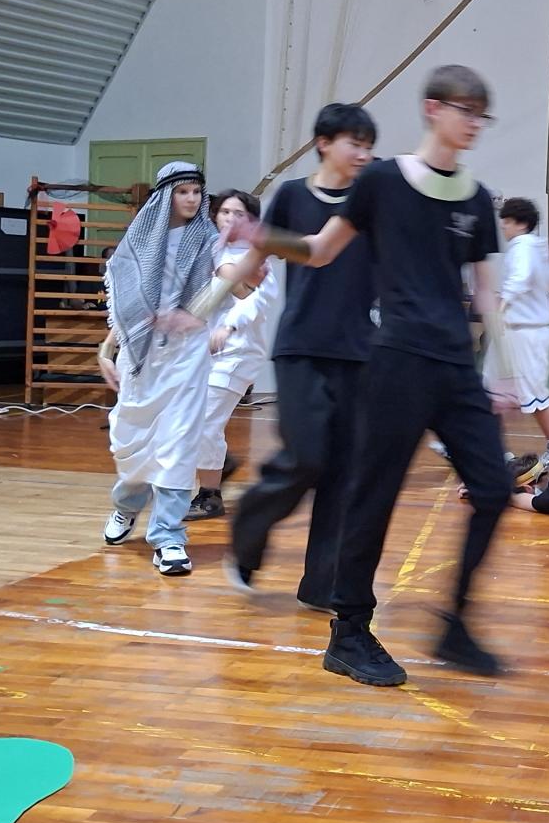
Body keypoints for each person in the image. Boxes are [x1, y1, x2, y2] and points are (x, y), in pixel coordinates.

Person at [235, 65, 517, 687]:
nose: (475, 124)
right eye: (466, 111)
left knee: (495, 488)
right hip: (397, 362)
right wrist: (264, 236)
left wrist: (507, 373)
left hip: (456, 367)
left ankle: (456, 624)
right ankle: (349, 633)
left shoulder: (475, 199)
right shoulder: (383, 182)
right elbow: (320, 250)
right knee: (373, 496)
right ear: (433, 108)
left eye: (482, 115)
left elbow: (486, 295)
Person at [224, 104, 377, 609]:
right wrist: (201, 310)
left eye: (368, 145)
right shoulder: (292, 194)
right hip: (301, 347)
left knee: (342, 473)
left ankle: (322, 585)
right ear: (324, 143)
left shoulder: (370, 201)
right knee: (305, 457)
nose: (363, 153)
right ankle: (248, 531)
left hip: (357, 351)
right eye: (354, 143)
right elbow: (253, 259)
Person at [98, 162, 258, 577]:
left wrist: (238, 263)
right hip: (140, 360)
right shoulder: (136, 243)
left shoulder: (210, 241)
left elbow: (241, 286)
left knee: (179, 445)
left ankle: (168, 536)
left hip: (187, 358)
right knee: (133, 445)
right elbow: (128, 306)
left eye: (196, 192)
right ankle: (126, 506)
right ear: (165, 196)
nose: (190, 198)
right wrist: (106, 349)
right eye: (182, 191)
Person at [184, 189, 280, 522]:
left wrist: (229, 326)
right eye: (225, 212)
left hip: (239, 351)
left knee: (205, 423)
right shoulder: (212, 250)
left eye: (239, 214)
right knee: (194, 421)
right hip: (207, 352)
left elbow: (258, 300)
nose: (230, 218)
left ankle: (210, 497)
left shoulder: (257, 256)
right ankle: (219, 464)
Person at [483, 196, 549, 472]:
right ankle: (489, 448)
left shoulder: (522, 246)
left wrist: (502, 303)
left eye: (507, 222)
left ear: (521, 224)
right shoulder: (537, 248)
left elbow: (519, 279)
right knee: (490, 390)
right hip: (515, 331)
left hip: (526, 334)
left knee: (535, 394)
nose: (503, 227)